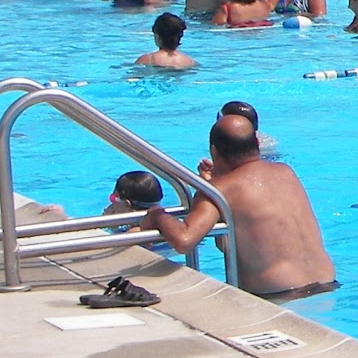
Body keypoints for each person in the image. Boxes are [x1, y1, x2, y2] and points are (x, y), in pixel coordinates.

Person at [142, 114, 336, 300]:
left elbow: (184, 239)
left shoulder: (219, 190)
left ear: (214, 151)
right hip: (328, 286)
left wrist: (157, 214)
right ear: (257, 144)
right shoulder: (285, 172)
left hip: (278, 297)